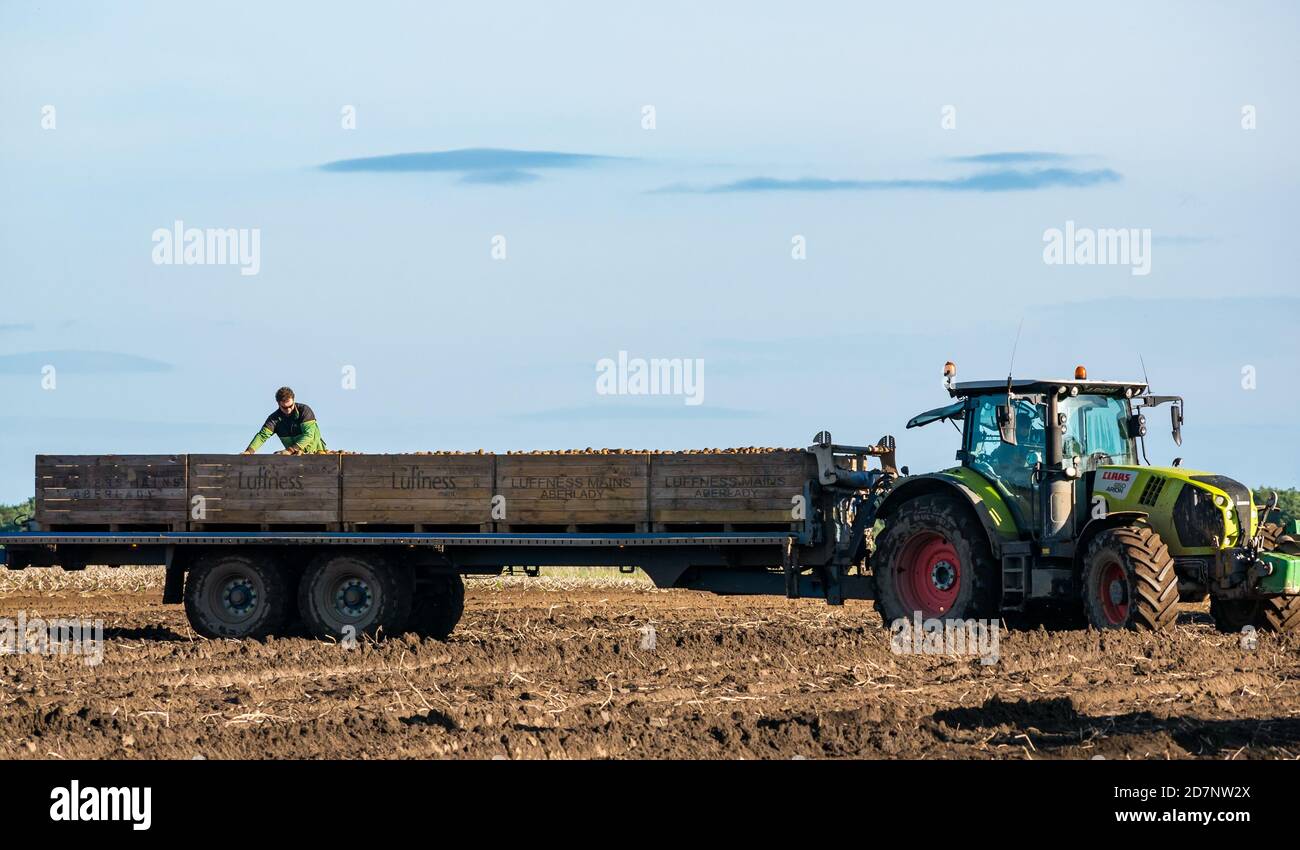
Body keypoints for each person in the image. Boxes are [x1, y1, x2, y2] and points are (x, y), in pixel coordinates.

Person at [243, 387, 327, 454]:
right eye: (284, 407)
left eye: (290, 406)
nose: (288, 410)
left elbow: (309, 435)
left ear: (293, 400)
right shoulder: (274, 419)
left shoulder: (305, 410)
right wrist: (249, 451)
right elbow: (262, 436)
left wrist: (290, 450)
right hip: (295, 458)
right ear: (278, 404)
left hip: (317, 453)